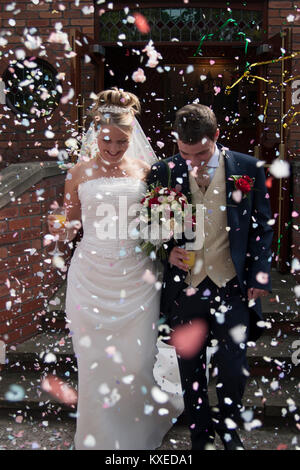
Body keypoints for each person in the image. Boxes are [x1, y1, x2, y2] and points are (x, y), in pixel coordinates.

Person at [47, 88, 183, 450]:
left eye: (121, 142)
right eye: (107, 141)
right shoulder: (78, 173)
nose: (112, 149)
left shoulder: (145, 170)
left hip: (137, 276)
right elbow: (71, 225)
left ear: (131, 136)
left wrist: (166, 233)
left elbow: (158, 221)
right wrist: (60, 229)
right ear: (96, 133)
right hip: (91, 277)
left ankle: (135, 435)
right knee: (94, 366)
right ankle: (97, 440)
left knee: (136, 361)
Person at [147, 103, 273, 450]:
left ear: (217, 136)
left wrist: (259, 273)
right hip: (186, 288)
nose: (194, 162)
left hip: (231, 284)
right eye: (186, 154)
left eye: (201, 153)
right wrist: (165, 251)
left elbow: (263, 227)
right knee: (191, 369)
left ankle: (229, 431)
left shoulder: (247, 168)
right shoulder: (163, 171)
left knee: (233, 367)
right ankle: (199, 435)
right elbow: (146, 227)